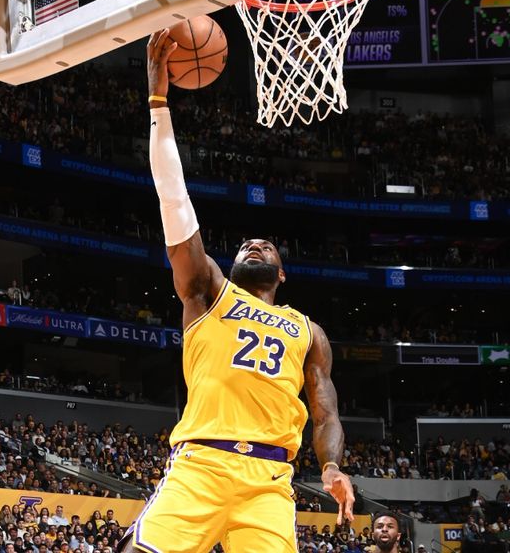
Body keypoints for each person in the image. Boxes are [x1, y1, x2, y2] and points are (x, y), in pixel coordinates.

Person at [120, 29, 355, 553]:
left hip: (270, 481)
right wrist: (159, 104)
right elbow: (173, 201)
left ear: (283, 273)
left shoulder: (307, 330)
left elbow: (326, 412)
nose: (254, 245)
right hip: (201, 464)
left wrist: (334, 466)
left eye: (266, 245)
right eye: (247, 244)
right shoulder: (208, 292)